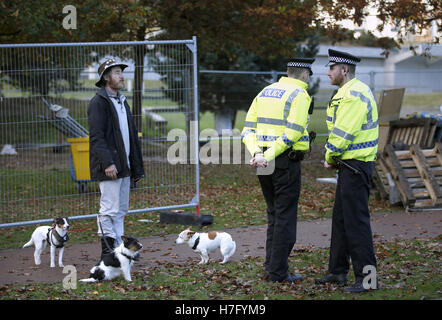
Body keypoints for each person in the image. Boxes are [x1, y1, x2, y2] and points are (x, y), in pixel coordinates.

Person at [242, 58, 314, 283]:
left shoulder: (265, 92)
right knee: (284, 216)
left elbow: (247, 130)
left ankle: (271, 266)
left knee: (274, 214)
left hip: (263, 161)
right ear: (304, 75)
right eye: (309, 75)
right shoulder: (300, 95)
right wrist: (267, 156)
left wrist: (258, 154)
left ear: (287, 71)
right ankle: (278, 272)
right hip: (284, 162)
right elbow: (291, 134)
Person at [315, 49, 379, 293]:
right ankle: (337, 271)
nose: (327, 72)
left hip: (355, 165)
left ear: (344, 70)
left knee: (357, 224)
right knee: (341, 221)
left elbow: (343, 133)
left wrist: (329, 157)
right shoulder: (345, 92)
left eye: (332, 68)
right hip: (349, 166)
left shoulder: (354, 93)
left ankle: (368, 280)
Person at [88, 58, 145, 259]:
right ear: (106, 78)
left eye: (122, 72)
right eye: (117, 72)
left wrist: (136, 168)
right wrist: (107, 163)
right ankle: (107, 254)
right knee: (108, 210)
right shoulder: (98, 103)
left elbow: (130, 134)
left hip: (124, 166)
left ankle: (120, 252)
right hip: (110, 167)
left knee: (121, 210)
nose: (122, 76)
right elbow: (97, 137)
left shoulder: (121, 101)